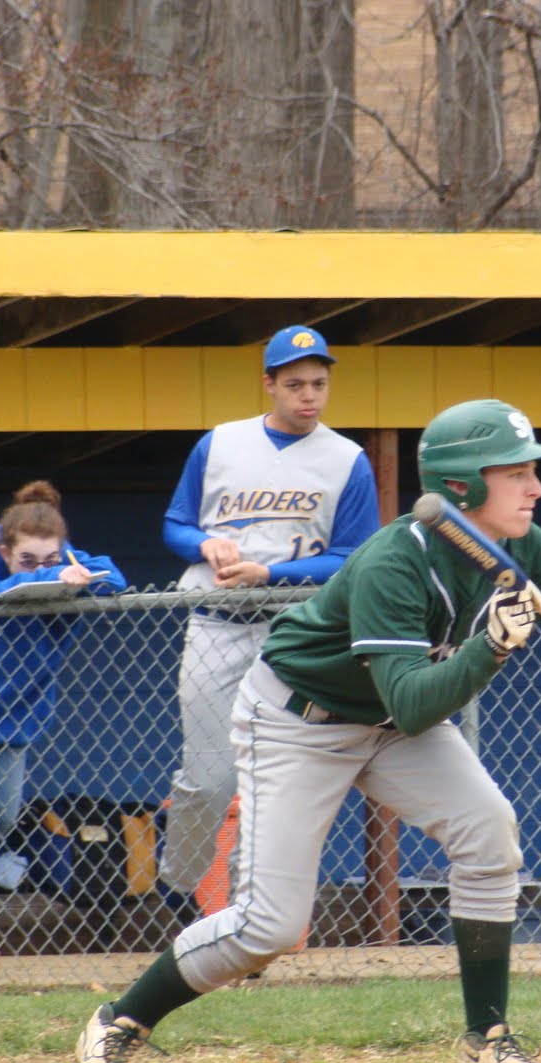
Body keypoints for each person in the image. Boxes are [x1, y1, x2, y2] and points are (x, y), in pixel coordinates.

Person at [75, 398, 541, 1063]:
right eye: (517, 472)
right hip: (300, 721)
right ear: (461, 484)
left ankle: (488, 1044)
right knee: (270, 927)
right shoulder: (394, 560)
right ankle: (120, 1020)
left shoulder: (525, 541)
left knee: (487, 830)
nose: (537, 487)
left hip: (390, 721)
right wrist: (490, 648)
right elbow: (416, 701)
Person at [157, 324, 379, 921]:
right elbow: (174, 525)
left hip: (291, 627)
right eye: (296, 384)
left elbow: (353, 558)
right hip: (214, 624)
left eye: (319, 384)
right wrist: (206, 544)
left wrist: (273, 573)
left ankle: (248, 913)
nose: (309, 396)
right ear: (269, 384)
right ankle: (177, 885)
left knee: (270, 778)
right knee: (209, 778)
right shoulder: (221, 443)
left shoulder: (347, 460)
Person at [0, 480, 126, 980]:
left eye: (49, 558)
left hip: (17, 710)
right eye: (26, 560)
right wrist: (51, 576)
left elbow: (113, 577)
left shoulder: (62, 556)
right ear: (5, 548)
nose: (39, 568)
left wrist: (78, 574)